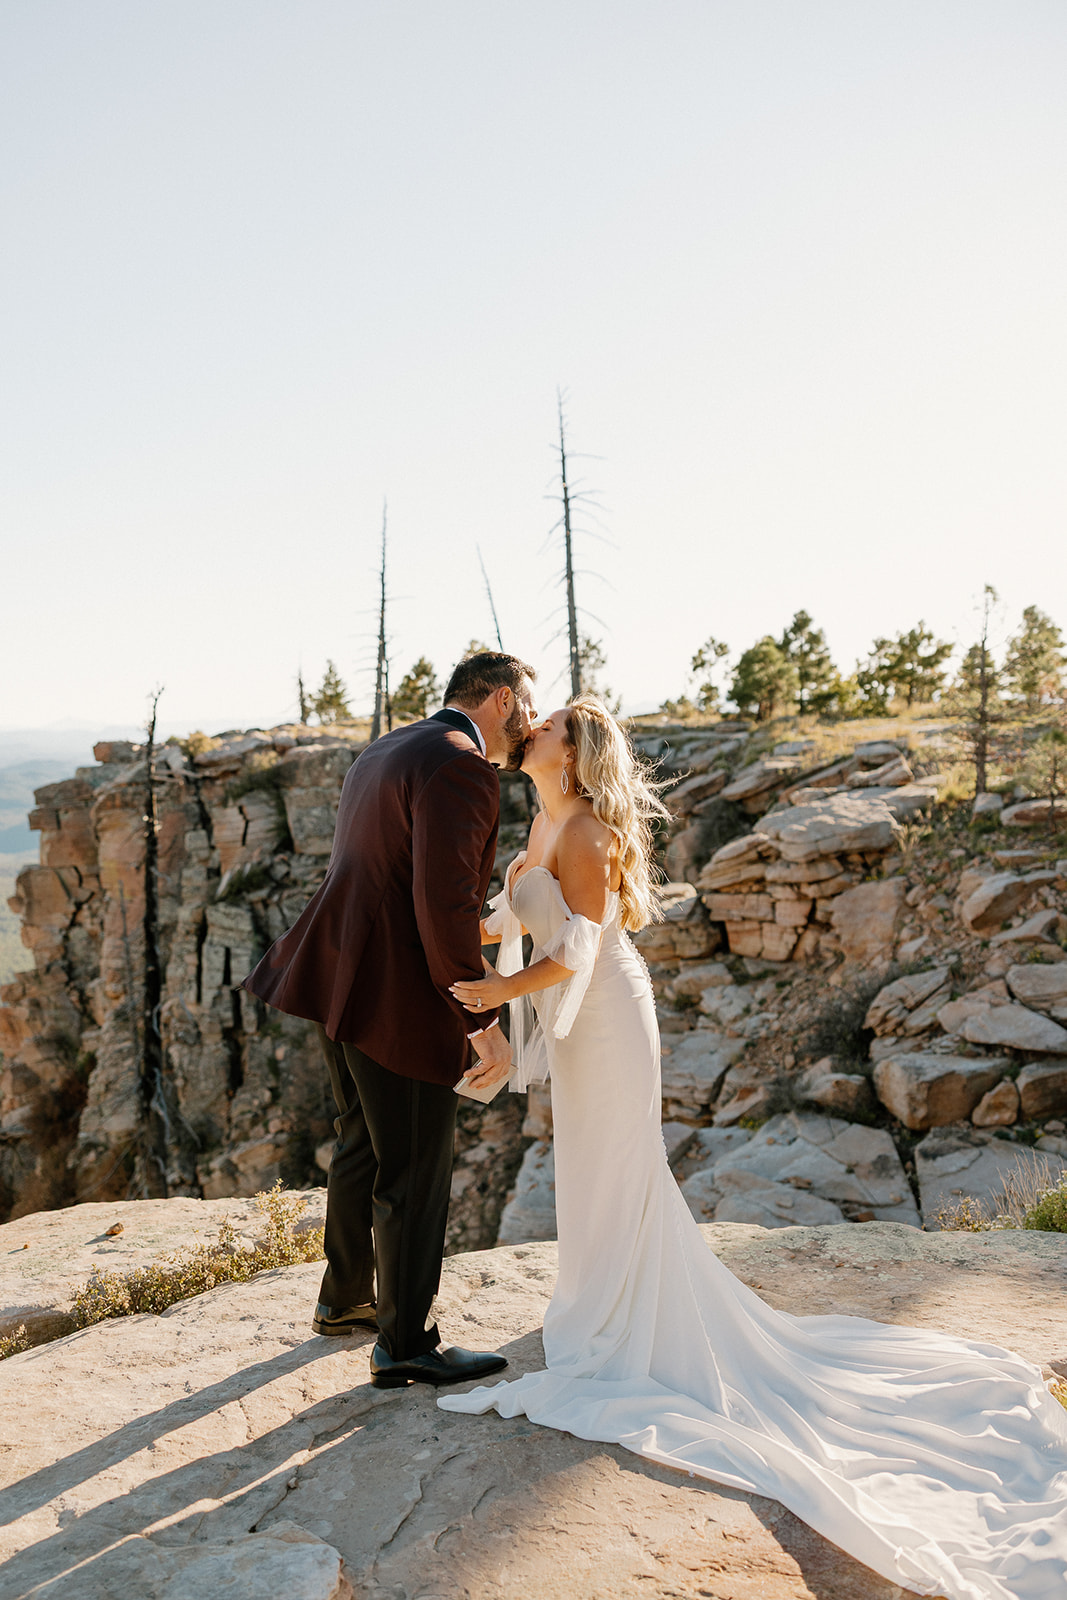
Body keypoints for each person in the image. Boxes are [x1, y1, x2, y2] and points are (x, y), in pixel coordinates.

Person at [440, 694, 1067, 1600]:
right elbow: (521, 922)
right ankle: (605, 1305)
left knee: (619, 1167)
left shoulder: (582, 834)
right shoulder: (540, 819)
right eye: (530, 721)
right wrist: (468, 934)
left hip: (608, 1017)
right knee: (587, 1169)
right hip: (576, 1029)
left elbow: (575, 957)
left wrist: (495, 995)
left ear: (574, 752)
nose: (529, 727)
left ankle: (626, 1323)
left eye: (549, 725)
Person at [243, 651, 538, 1390]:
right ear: (501, 699)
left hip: (338, 976)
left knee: (362, 1147)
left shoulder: (389, 747)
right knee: (414, 1169)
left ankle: (346, 1302)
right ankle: (405, 1342)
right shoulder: (459, 766)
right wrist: (478, 1013)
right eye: (526, 707)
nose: (529, 724)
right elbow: (441, 903)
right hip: (399, 994)